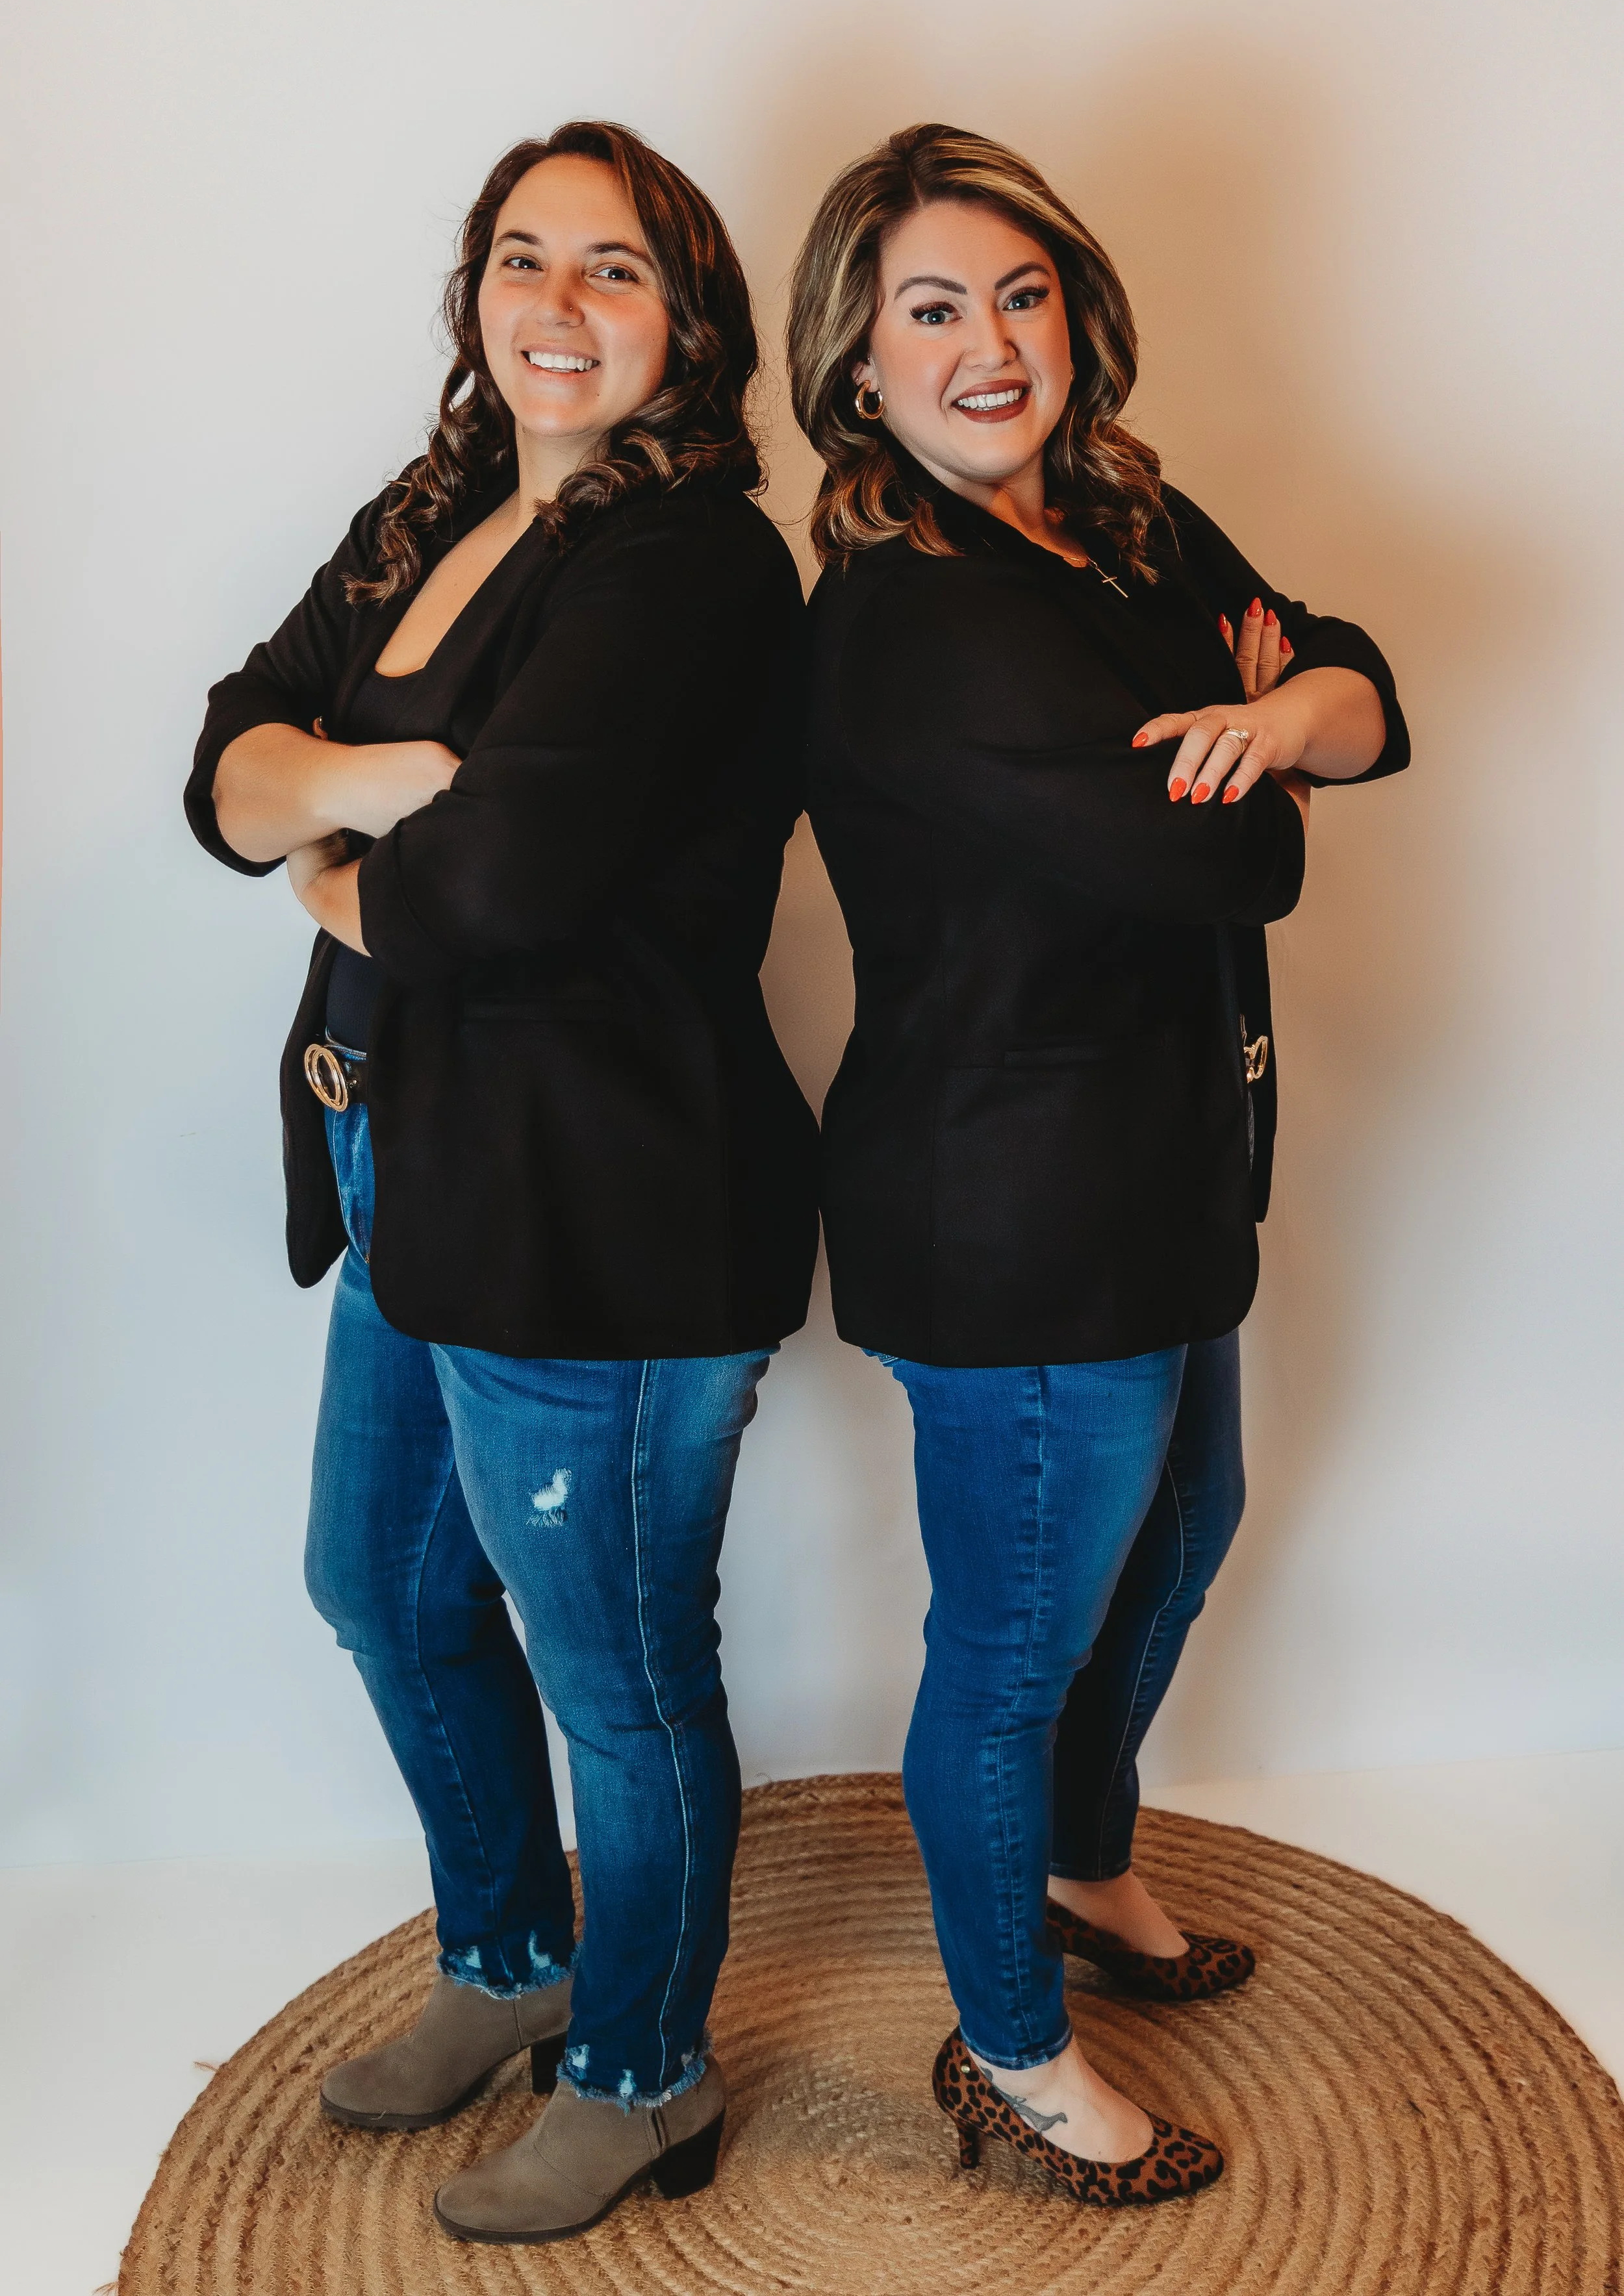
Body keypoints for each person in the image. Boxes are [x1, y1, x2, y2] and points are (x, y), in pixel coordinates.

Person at [185, 121, 818, 2245]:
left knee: (618, 1685)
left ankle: (642, 2068)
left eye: (614, 269)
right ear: (474, 291)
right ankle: (509, 1959)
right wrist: (377, 793)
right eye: (520, 259)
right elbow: (230, 754)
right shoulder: (434, 502)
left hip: (605, 1215)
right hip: (404, 1161)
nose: (556, 305)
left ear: (688, 315)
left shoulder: (701, 558)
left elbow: (516, 882)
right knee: (381, 1586)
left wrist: (357, 851)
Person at [786, 123, 1408, 2208]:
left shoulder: (1123, 526)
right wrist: (1260, 757)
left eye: (1020, 295)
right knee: (1011, 1637)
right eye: (931, 310)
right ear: (854, 363)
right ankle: (1013, 2049)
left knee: (1180, 1527)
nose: (988, 345)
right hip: (1010, 1218)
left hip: (1160, 1174)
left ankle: (1079, 1861)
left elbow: (1349, 681)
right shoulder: (910, 617)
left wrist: (1297, 694)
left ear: (1078, 314)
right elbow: (1218, 846)